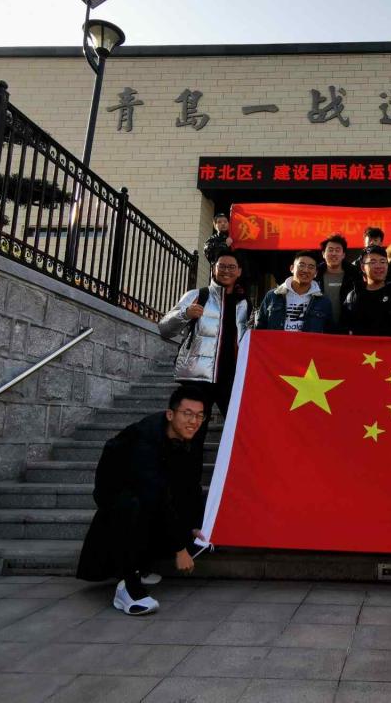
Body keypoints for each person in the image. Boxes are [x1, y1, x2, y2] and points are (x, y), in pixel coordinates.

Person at [76, 386, 208, 615]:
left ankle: (143, 564)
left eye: (199, 416)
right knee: (138, 504)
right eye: (187, 413)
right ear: (170, 414)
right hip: (120, 498)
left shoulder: (189, 437)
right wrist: (179, 549)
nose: (193, 421)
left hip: (152, 492)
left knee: (184, 502)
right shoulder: (145, 438)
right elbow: (153, 492)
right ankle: (128, 587)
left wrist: (194, 525)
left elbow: (190, 484)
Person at [158, 250, 250, 427]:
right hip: (196, 377)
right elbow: (164, 329)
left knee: (239, 428)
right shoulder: (197, 295)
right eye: (222, 266)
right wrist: (185, 314)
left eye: (231, 267)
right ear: (214, 268)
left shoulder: (244, 303)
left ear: (239, 271)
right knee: (191, 431)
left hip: (231, 378)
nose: (226, 271)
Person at [255, 251, 335, 332]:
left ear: (315, 273)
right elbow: (260, 328)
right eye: (301, 265)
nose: (305, 270)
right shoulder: (272, 296)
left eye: (311, 267)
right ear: (292, 268)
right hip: (277, 340)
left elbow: (328, 332)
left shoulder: (323, 301)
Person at [343, 245, 391, 336]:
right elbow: (344, 327)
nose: (379, 266)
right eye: (373, 262)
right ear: (363, 267)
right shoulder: (353, 296)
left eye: (383, 262)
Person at [315, 234, 359, 327]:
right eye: (330, 250)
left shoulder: (355, 275)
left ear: (343, 255)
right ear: (323, 254)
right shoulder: (314, 275)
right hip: (320, 327)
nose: (334, 253)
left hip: (347, 327)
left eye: (337, 250)